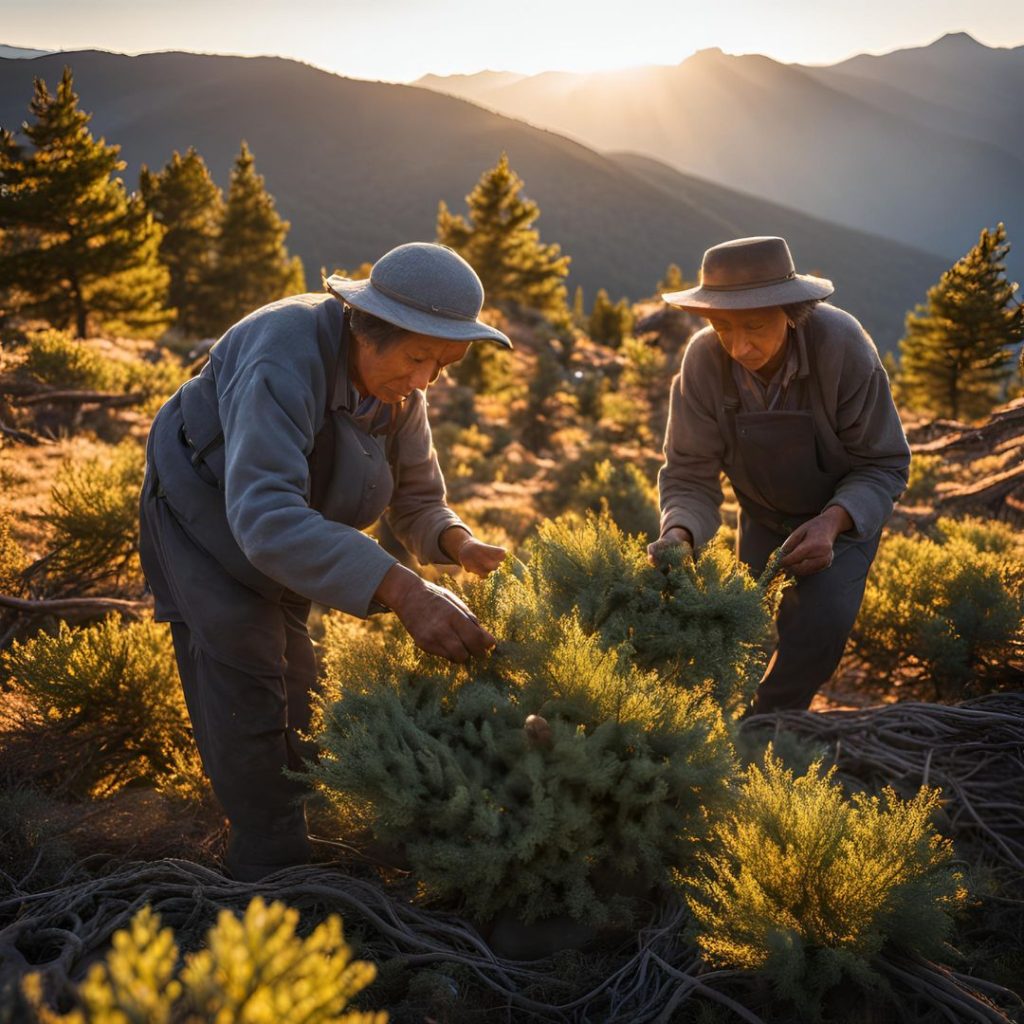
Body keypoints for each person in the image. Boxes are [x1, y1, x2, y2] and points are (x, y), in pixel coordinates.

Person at [139, 242, 511, 880]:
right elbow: (264, 516)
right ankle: (268, 867)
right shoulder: (281, 354)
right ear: (368, 328)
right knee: (246, 664)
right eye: (419, 357)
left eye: (444, 365)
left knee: (298, 681)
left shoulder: (400, 385)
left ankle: (307, 825)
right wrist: (399, 587)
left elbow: (419, 497)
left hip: (292, 527)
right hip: (203, 511)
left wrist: (455, 541)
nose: (425, 381)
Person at [648, 236, 910, 714]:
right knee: (740, 626)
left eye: (755, 325)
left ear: (792, 310)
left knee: (817, 629)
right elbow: (688, 473)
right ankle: (716, 726)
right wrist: (680, 532)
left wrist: (832, 523)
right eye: (723, 327)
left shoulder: (842, 348)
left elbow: (884, 464)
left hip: (842, 519)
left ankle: (770, 732)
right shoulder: (703, 362)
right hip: (762, 518)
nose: (740, 346)